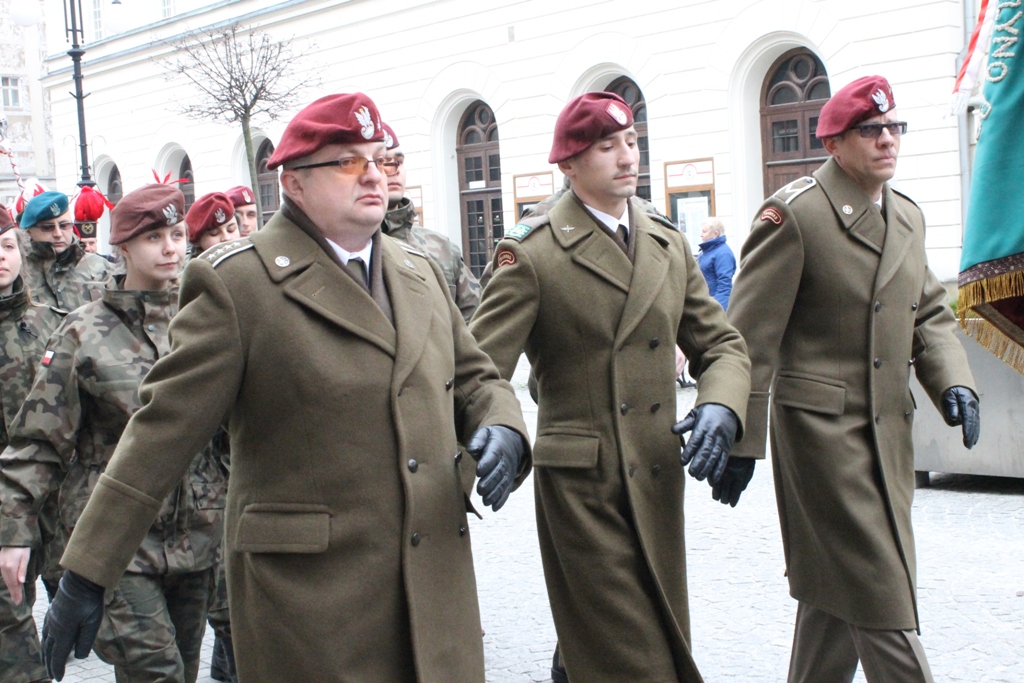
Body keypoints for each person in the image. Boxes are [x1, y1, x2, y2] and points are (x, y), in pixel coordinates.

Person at [39, 92, 530, 683]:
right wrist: (89, 571)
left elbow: (474, 374)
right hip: (314, 602)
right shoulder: (239, 285)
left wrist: (501, 424)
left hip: (434, 585)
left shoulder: (416, 270)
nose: (373, 174)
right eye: (347, 162)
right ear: (293, 184)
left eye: (376, 157)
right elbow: (162, 431)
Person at [469, 91, 751, 682]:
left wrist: (721, 406)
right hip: (584, 488)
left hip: (655, 473)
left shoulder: (665, 240)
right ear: (569, 165)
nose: (627, 156)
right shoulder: (532, 252)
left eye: (631, 141)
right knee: (640, 661)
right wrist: (500, 428)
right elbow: (477, 370)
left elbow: (721, 345)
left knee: (616, 642)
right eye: (606, 147)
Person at [727, 75, 980, 683]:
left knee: (832, 595)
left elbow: (928, 313)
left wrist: (954, 382)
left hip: (886, 433)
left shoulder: (906, 216)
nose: (888, 140)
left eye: (895, 128)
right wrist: (740, 437)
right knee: (878, 584)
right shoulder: (796, 215)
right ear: (835, 143)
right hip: (822, 437)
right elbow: (748, 337)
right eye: (871, 130)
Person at [1, 184, 228, 683]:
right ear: (122, 247)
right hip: (116, 542)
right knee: (157, 672)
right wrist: (13, 532)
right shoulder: (83, 332)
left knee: (183, 670)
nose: (171, 248)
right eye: (154, 238)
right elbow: (38, 440)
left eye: (176, 234)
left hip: (199, 538)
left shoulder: (210, 321)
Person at [0, 208, 64, 683]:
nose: (1, 258)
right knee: (13, 627)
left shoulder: (53, 324)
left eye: (6, 246)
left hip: (54, 498)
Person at [380, 122, 481, 323]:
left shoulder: (442, 249)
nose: (395, 170)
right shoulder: (352, 248)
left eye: (399, 161)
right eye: (383, 162)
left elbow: (478, 325)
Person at [18, 191, 114, 312]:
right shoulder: (19, 274)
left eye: (64, 225)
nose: (58, 234)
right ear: (29, 232)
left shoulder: (100, 267)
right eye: (47, 227)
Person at [695, 217, 736, 311]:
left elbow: (725, 285)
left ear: (715, 234)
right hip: (705, 303)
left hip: (713, 306)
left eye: (704, 231)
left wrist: (717, 311)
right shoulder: (705, 252)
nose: (701, 235)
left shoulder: (723, 254)